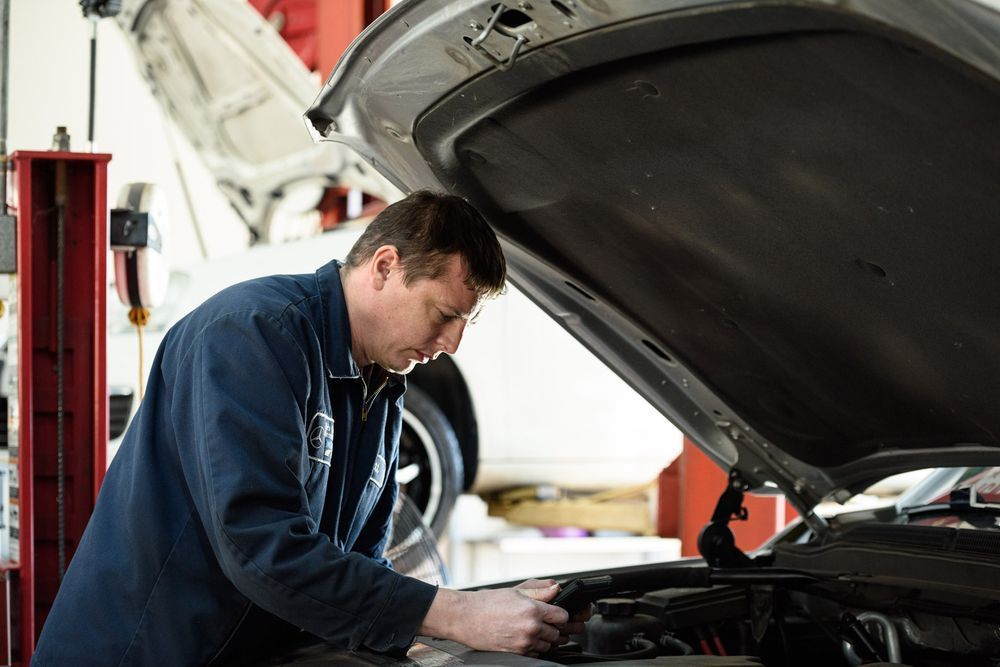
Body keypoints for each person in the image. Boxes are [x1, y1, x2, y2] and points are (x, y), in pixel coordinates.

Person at [33, 191, 585, 665]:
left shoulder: (379, 381)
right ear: (386, 266)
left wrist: (490, 611)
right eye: (443, 314)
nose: (451, 344)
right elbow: (261, 546)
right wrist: (458, 613)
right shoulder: (252, 336)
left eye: (466, 323)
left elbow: (360, 557)